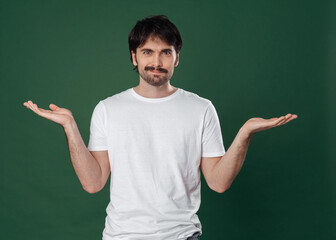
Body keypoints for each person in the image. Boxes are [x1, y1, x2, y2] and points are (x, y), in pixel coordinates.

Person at [23, 15, 297, 240]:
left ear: (177, 57)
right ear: (134, 57)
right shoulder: (108, 109)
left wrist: (245, 133)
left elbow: (219, 182)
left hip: (182, 235)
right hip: (122, 236)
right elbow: (93, 183)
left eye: (166, 52)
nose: (157, 62)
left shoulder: (201, 108)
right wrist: (70, 127)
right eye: (148, 52)